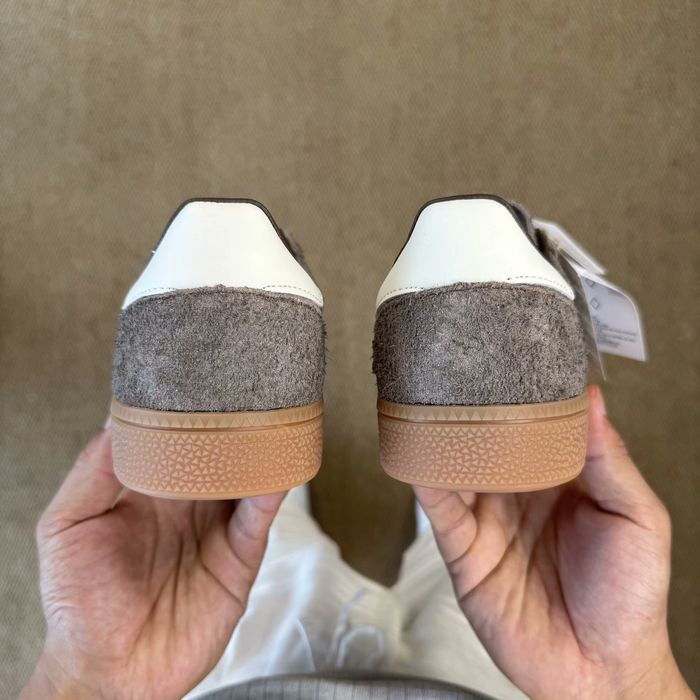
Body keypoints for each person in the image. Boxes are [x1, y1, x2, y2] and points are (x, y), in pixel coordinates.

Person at [20, 387, 694, 699]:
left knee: (244, 526)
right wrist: (619, 681)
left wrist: (92, 681)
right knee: (483, 533)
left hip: (245, 677)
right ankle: (442, 462)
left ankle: (271, 462)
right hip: (498, 682)